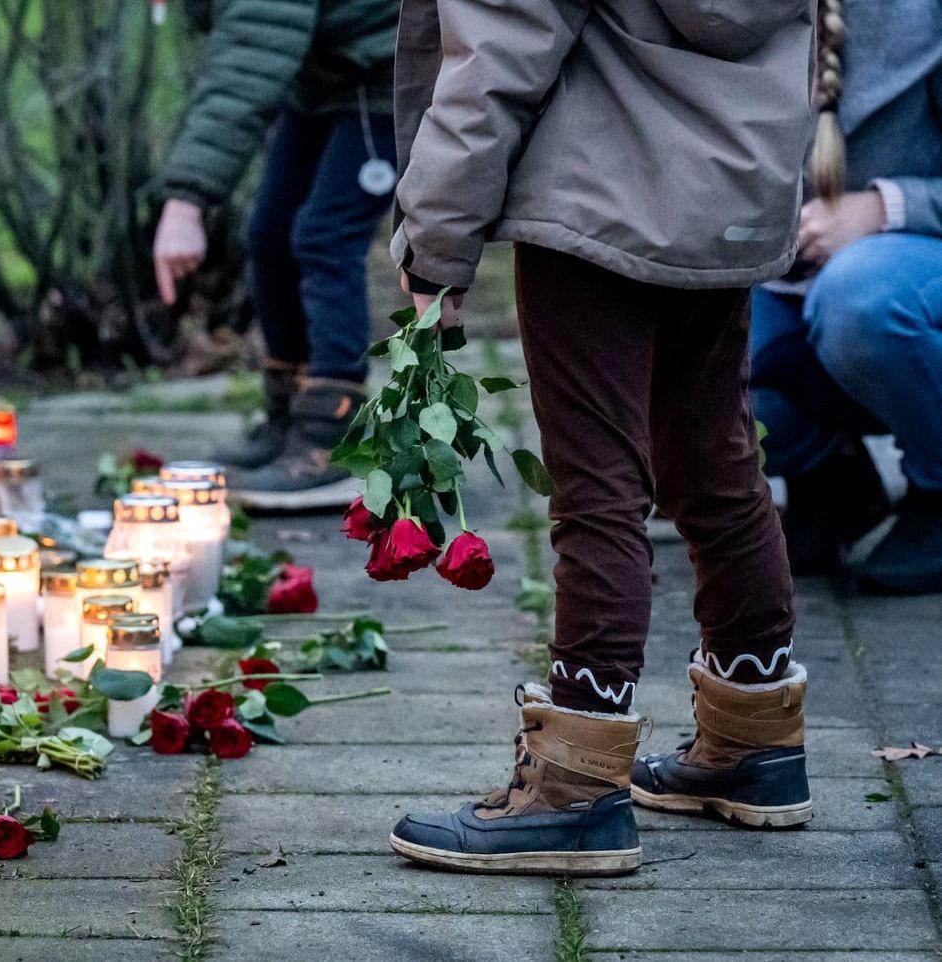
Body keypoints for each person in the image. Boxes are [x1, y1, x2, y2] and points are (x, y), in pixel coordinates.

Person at [386, 0, 815, 876]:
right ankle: (754, 738)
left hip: (598, 186)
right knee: (713, 455)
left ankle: (574, 787)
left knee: (597, 483)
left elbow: (499, 51)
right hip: (736, 178)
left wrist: (436, 240)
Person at [152, 0, 399, 509]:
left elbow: (251, 55)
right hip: (325, 73)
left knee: (324, 236)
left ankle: (333, 439)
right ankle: (288, 418)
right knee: (269, 236)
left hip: (391, 68)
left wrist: (186, 201)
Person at [750, 0, 942, 595]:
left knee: (859, 299)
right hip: (783, 271)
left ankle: (937, 488)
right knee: (665, 346)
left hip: (906, 262)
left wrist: (885, 208)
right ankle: (829, 477)